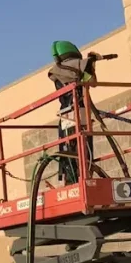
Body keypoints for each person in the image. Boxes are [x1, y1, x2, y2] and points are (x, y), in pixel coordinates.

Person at [47, 41, 117, 183]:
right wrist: (91, 64)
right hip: (80, 113)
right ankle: (84, 177)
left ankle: (70, 179)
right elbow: (92, 82)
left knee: (68, 150)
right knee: (84, 150)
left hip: (65, 115)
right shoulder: (75, 68)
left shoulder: (58, 71)